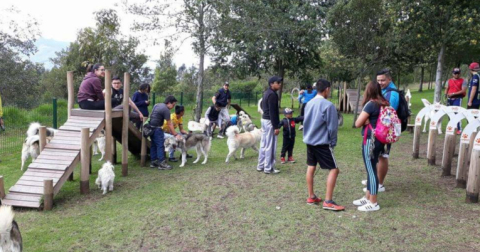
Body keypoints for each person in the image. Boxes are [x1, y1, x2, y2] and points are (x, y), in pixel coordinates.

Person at [303, 79, 344, 211]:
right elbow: (332, 127)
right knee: (334, 169)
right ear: (326, 89)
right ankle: (328, 201)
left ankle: (311, 196)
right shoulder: (328, 105)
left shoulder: (308, 103)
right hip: (322, 143)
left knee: (311, 167)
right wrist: (333, 142)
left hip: (309, 142)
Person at [353, 81, 390, 212]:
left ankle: (373, 202)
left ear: (368, 91)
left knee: (371, 169)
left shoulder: (371, 104)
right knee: (371, 167)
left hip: (370, 140)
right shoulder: (385, 102)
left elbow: (357, 123)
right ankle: (367, 197)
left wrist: (365, 120)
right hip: (381, 139)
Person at [369, 69, 399, 193]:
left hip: (386, 131)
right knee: (377, 155)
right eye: (378, 80)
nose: (380, 82)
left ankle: (380, 184)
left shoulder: (392, 93)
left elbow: (388, 113)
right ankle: (375, 179)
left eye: (383, 80)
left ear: (389, 79)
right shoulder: (384, 90)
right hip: (380, 130)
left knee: (383, 156)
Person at [149, 96, 182, 170]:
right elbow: (170, 124)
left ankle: (153, 162)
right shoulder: (166, 110)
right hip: (157, 129)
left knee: (153, 145)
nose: (173, 107)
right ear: (169, 103)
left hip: (150, 128)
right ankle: (162, 163)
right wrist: (176, 134)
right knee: (160, 145)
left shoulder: (157, 105)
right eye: (173, 105)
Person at [257, 76, 282, 174]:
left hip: (264, 120)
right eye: (277, 83)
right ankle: (268, 168)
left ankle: (261, 165)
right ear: (272, 84)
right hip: (269, 122)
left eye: (279, 83)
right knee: (270, 145)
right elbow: (273, 112)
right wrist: (276, 126)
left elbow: (263, 106)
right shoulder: (272, 94)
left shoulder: (266, 93)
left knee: (264, 144)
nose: (279, 84)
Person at [445, 68, 467, 134]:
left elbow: (463, 90)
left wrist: (453, 94)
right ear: (452, 73)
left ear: (460, 73)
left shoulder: (463, 81)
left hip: (457, 98)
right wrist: (445, 95)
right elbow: (446, 88)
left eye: (458, 73)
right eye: (455, 73)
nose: (456, 75)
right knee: (449, 113)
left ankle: (459, 129)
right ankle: (451, 128)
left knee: (457, 113)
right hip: (449, 99)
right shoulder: (449, 81)